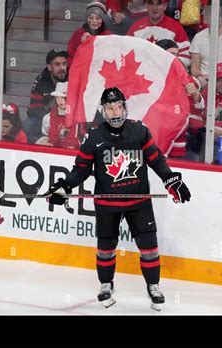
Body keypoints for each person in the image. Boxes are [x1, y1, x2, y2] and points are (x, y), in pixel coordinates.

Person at [43, 87, 191, 311]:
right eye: (109, 108)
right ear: (103, 111)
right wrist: (64, 186)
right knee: (105, 248)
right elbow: (81, 169)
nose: (114, 112)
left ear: (124, 106)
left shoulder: (139, 131)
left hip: (138, 201)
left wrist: (171, 180)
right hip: (107, 204)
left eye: (118, 106)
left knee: (149, 247)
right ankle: (106, 284)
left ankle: (153, 286)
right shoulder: (94, 137)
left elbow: (156, 159)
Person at [189, 8, 222, 89]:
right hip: (205, 80)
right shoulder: (199, 37)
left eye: (218, 16)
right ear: (207, 18)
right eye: (211, 16)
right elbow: (195, 66)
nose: (214, 19)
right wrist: (199, 77)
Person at [127, 0, 191, 67]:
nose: (154, 7)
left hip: (167, 72)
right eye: (151, 3)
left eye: (159, 4)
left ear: (165, 6)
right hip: (141, 71)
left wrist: (173, 66)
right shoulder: (136, 27)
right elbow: (126, 51)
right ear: (147, 6)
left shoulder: (175, 27)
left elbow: (186, 54)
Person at [24, 49, 69, 144]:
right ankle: (44, 145)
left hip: (69, 120)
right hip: (46, 120)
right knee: (28, 124)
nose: (62, 68)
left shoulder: (72, 77)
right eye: (57, 64)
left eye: (64, 64)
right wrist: (50, 119)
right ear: (49, 67)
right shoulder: (41, 81)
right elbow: (34, 108)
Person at [67, 2, 112, 66]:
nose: (94, 21)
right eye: (91, 18)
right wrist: (83, 46)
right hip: (82, 69)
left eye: (98, 18)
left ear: (102, 19)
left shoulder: (108, 35)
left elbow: (111, 56)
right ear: (86, 18)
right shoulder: (78, 34)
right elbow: (71, 55)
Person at [37, 82, 79, 149]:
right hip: (58, 147)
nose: (59, 101)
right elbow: (53, 133)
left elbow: (75, 135)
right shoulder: (53, 114)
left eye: (62, 98)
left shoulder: (76, 114)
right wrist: (52, 143)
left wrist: (71, 146)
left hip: (72, 148)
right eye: (57, 98)